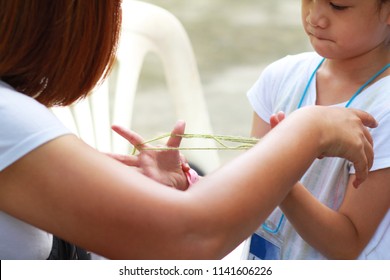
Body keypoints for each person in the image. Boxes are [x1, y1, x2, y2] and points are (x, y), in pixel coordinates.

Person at [0, 0, 377, 260]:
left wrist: (150, 195)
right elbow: (192, 237)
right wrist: (308, 130)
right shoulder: (8, 116)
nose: (316, 16)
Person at [246, 0, 390, 260]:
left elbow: (347, 245)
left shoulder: (384, 109)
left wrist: (276, 175)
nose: (315, 17)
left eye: (337, 6)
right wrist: (186, 181)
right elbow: (243, 192)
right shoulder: (280, 76)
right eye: (308, 0)